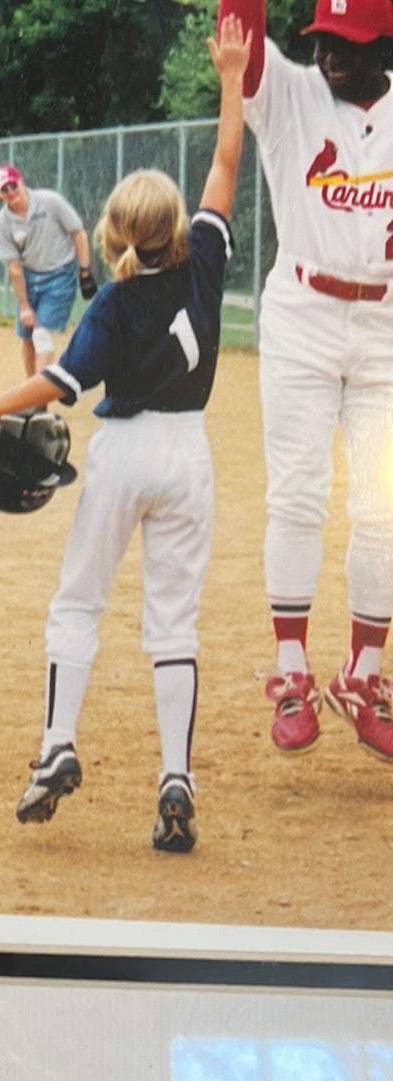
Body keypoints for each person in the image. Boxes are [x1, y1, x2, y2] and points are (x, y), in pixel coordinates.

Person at [0, 16, 252, 852]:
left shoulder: (114, 300)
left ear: (120, 236)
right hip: (189, 455)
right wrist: (232, 76)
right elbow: (228, 161)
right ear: (177, 228)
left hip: (124, 452)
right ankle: (175, 776)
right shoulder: (204, 258)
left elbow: (58, 384)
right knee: (174, 624)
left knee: (78, 603)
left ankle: (58, 744)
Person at [217, 0, 393, 758]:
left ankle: (365, 674)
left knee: (382, 503)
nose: (329, 55)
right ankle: (291, 671)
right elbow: (244, 35)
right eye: (323, 39)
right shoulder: (289, 95)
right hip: (301, 316)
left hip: (385, 326)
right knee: (297, 490)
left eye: (348, 44)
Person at [0, 164, 97, 376]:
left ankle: (39, 401)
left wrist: (85, 272)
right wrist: (24, 306)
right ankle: (30, 393)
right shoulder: (2, 224)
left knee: (41, 335)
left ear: (22, 181)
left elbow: (78, 234)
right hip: (29, 277)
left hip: (60, 274)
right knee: (28, 338)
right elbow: (14, 267)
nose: (11, 192)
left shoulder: (50, 202)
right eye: (5, 190)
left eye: (13, 185)